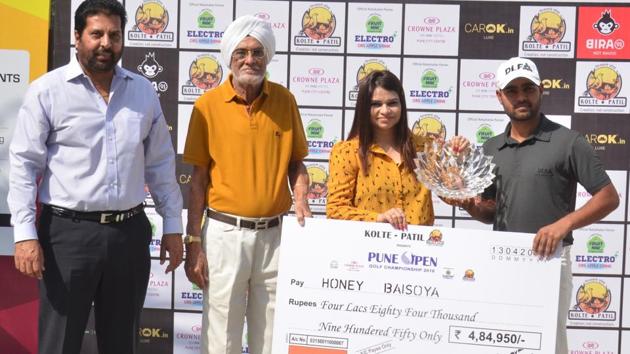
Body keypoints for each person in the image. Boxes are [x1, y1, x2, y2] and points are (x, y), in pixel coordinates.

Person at [7, 1, 184, 353]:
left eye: (114, 35)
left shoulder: (142, 91)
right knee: (60, 343)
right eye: (96, 34)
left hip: (128, 235)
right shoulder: (48, 91)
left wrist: (173, 226)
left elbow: (161, 164)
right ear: (77, 37)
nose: (106, 43)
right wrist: (24, 235)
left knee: (121, 343)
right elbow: (24, 166)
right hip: (67, 237)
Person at [447, 57, 620, 354]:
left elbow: (609, 197)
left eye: (528, 88)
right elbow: (491, 212)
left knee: (549, 343)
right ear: (500, 96)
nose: (521, 96)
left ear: (541, 90)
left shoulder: (568, 141)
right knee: (504, 342)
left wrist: (563, 224)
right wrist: (471, 206)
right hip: (501, 260)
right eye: (512, 91)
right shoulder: (490, 149)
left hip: (551, 260)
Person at [182, 15, 311, 354]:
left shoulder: (285, 100)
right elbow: (197, 181)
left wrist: (301, 197)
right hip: (225, 235)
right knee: (221, 332)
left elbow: (297, 163)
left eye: (257, 52)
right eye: (241, 52)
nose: (250, 60)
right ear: (230, 57)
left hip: (275, 235)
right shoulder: (206, 106)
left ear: (267, 57)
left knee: (270, 334)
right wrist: (193, 241)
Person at [326, 70, 467, 230]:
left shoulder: (426, 148)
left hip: (420, 250)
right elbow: (335, 210)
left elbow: (454, 196)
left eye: (392, 103)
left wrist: (458, 161)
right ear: (364, 107)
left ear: (402, 105)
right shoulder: (347, 151)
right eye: (376, 104)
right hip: (367, 250)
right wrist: (379, 218)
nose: (385, 110)